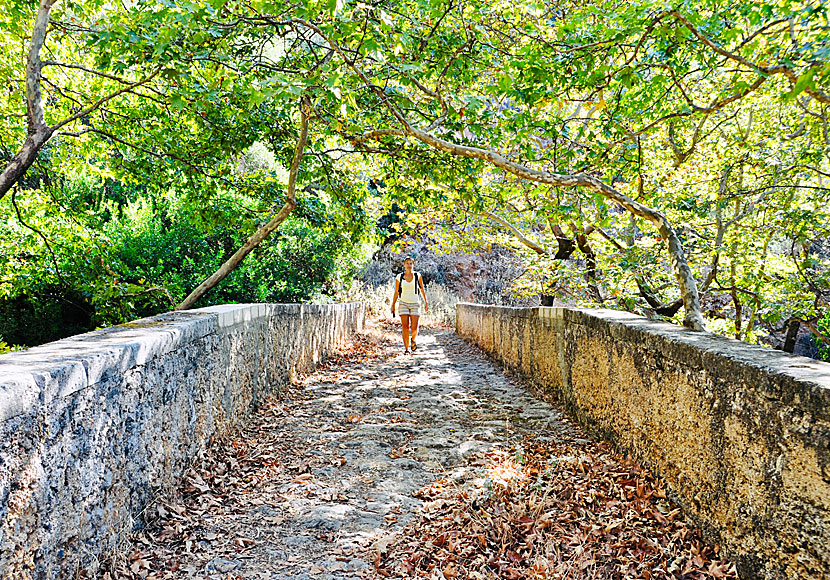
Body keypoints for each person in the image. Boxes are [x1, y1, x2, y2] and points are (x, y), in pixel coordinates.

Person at [390, 257, 429, 354]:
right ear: (404, 265)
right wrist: (393, 305)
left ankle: (413, 340)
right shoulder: (399, 277)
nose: (409, 265)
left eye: (411, 263)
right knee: (405, 326)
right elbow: (396, 291)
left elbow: (421, 289)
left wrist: (426, 302)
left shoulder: (417, 275)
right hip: (403, 303)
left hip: (415, 303)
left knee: (414, 327)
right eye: (407, 263)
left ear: (413, 265)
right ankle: (407, 349)